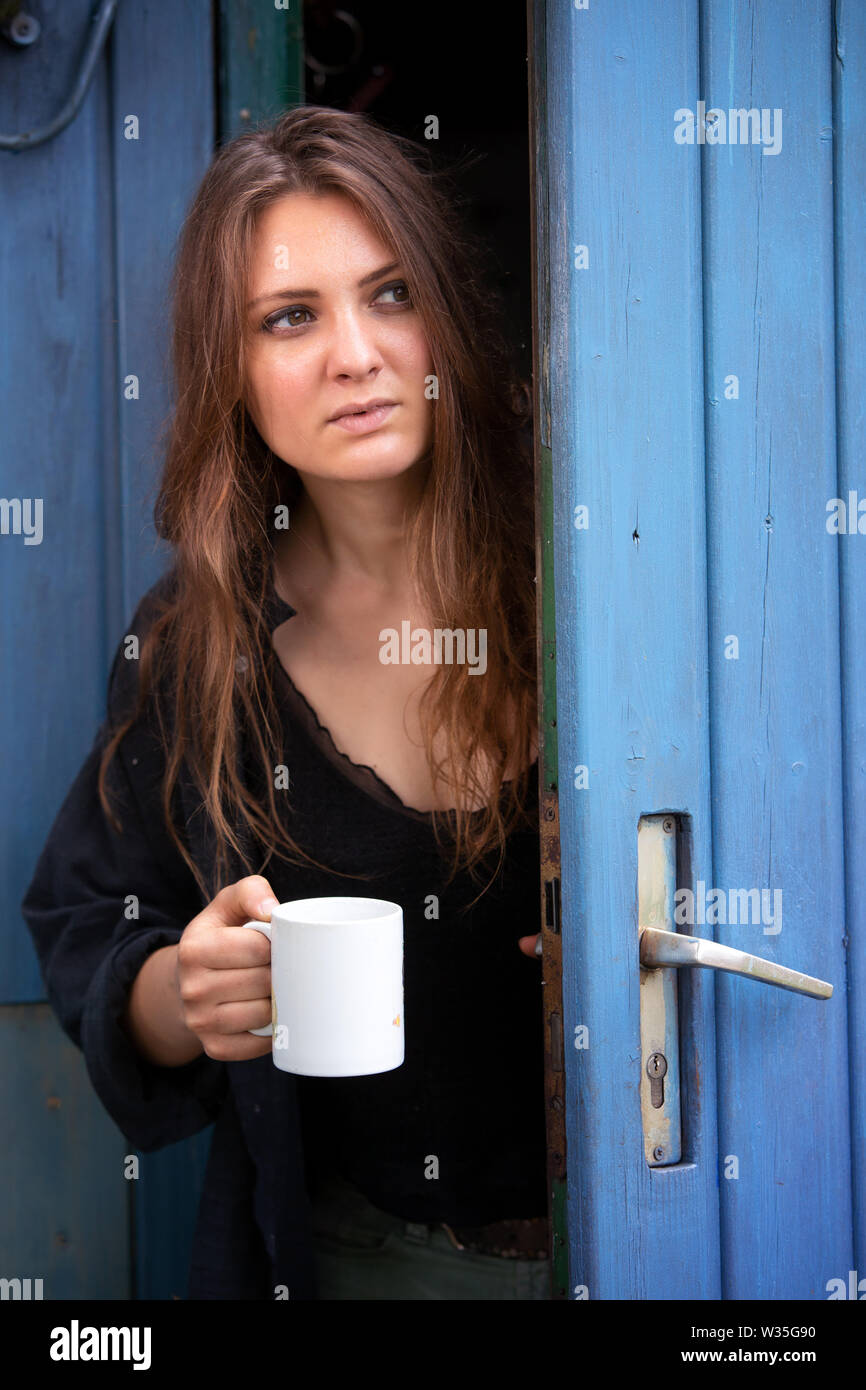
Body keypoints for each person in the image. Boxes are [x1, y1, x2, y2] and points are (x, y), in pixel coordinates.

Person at [21, 105, 549, 1301]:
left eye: (392, 293)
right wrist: (179, 992)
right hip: (365, 1264)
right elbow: (85, 917)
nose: (355, 354)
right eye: (289, 317)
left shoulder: (591, 566)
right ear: (232, 368)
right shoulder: (198, 642)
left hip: (671, 1243)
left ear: (446, 322)